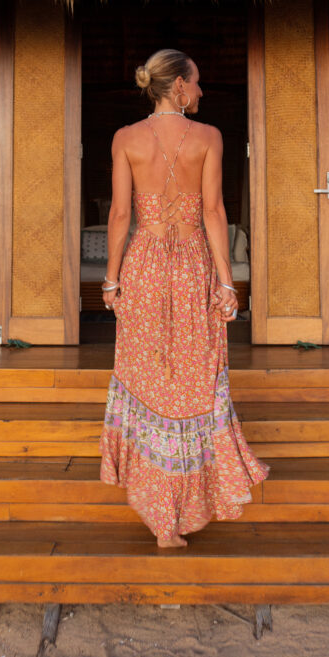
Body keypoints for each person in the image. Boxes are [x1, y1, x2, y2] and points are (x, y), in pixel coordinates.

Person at [98, 48, 270, 548]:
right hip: (194, 266)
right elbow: (214, 211)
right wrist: (225, 279)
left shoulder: (125, 139)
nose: (201, 91)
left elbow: (120, 215)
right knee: (195, 383)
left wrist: (111, 280)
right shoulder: (209, 137)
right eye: (196, 83)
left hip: (145, 268)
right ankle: (184, 506)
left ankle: (159, 515)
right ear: (178, 87)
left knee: (151, 380)